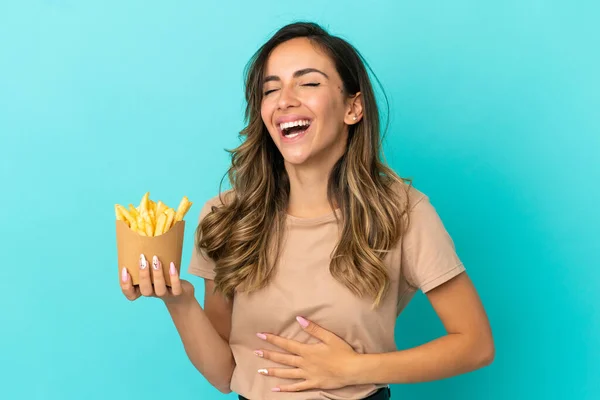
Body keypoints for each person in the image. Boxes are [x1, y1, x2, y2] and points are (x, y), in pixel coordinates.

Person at [119, 21, 494, 400]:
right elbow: (224, 375)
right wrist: (179, 301)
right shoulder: (226, 217)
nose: (284, 99)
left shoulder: (401, 212)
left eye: (308, 83)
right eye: (271, 89)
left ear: (353, 107)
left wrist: (353, 369)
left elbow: (475, 343)